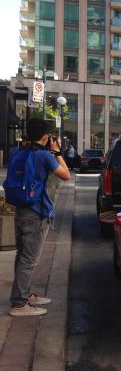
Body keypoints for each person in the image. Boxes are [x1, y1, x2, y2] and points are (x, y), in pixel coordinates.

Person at [7, 119, 71, 316]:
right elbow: (66, 175)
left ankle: (22, 295)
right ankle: (19, 304)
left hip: (20, 209)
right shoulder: (44, 156)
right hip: (36, 212)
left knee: (22, 255)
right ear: (45, 137)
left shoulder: (17, 151)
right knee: (29, 258)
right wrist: (58, 152)